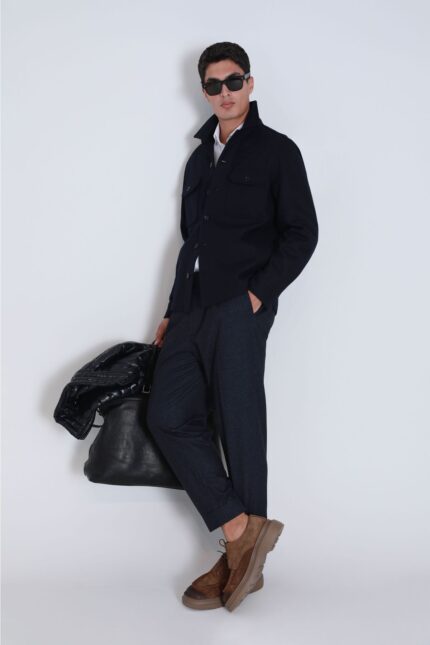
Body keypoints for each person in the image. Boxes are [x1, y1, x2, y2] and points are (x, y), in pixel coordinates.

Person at [147, 41, 318, 612]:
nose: (225, 92)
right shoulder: (199, 159)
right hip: (190, 308)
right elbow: (190, 240)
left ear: (250, 83)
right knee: (167, 415)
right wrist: (172, 308)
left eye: (234, 81)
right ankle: (242, 533)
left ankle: (240, 559)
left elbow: (302, 232)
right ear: (204, 91)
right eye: (214, 85)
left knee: (240, 424)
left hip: (238, 308)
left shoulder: (277, 151)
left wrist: (256, 295)